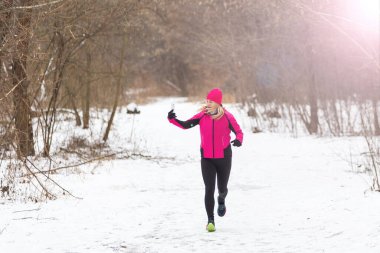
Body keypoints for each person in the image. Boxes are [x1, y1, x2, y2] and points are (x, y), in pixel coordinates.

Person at [167, 88, 243, 232]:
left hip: (224, 158)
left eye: (211, 101)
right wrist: (172, 119)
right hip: (207, 158)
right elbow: (186, 125)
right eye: (206, 100)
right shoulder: (202, 116)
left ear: (218, 103)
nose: (207, 103)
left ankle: (221, 200)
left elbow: (238, 132)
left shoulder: (227, 117)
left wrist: (239, 140)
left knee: (222, 189)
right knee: (209, 189)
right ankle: (210, 220)